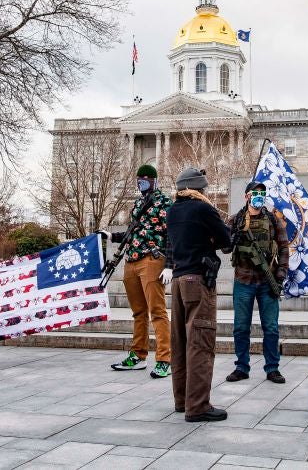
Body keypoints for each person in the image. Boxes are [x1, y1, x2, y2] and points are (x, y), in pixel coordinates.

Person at [166, 167, 232, 423]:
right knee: (200, 344)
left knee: (180, 343)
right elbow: (227, 241)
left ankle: (182, 401)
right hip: (198, 281)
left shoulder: (172, 212)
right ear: (198, 189)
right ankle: (198, 406)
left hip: (178, 280)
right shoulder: (203, 208)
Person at [99, 164, 172, 377]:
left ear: (154, 181)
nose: (141, 183)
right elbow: (134, 232)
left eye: (145, 180)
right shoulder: (139, 202)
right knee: (138, 312)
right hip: (131, 259)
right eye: (139, 180)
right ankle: (138, 355)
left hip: (151, 259)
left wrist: (169, 265)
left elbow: (172, 235)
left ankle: (164, 359)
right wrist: (111, 236)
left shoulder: (164, 202)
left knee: (157, 312)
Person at [226, 181, 289, 384]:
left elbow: (284, 249)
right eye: (255, 193)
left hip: (267, 282)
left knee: (271, 327)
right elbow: (224, 247)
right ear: (247, 196)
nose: (259, 196)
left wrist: (280, 274)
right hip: (243, 281)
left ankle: (272, 368)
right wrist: (231, 238)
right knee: (241, 327)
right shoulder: (235, 220)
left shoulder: (273, 220)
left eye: (262, 193)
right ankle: (241, 367)